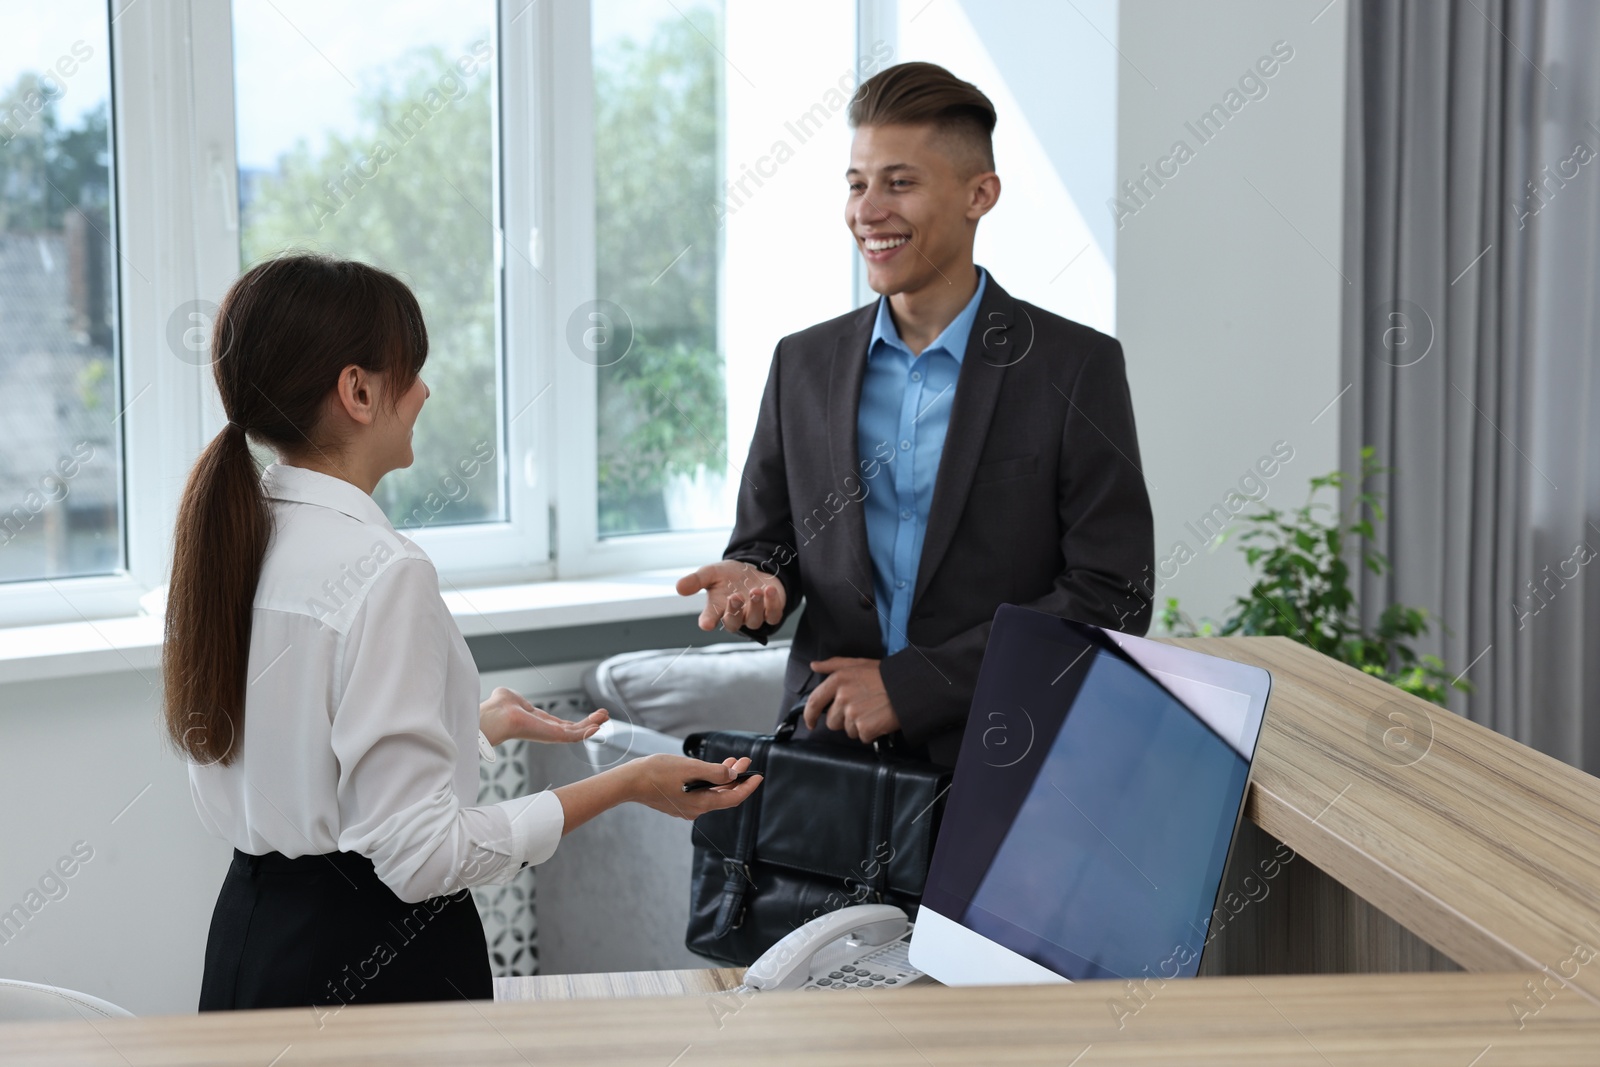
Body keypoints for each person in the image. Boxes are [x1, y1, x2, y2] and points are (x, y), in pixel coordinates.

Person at [164, 254, 760, 1012]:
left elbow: (309, 764)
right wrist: (625, 783)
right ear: (358, 390)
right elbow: (420, 857)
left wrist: (471, 730)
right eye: (409, 370)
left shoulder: (230, 545)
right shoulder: (383, 570)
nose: (424, 391)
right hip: (377, 966)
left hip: (252, 944)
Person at [677, 62, 1155, 766]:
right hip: (830, 762)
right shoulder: (802, 365)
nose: (868, 211)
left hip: (1005, 761)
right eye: (857, 184)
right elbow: (771, 538)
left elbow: (1113, 594)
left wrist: (913, 685)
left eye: (899, 183)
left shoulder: (1073, 368)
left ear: (979, 194)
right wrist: (761, 577)